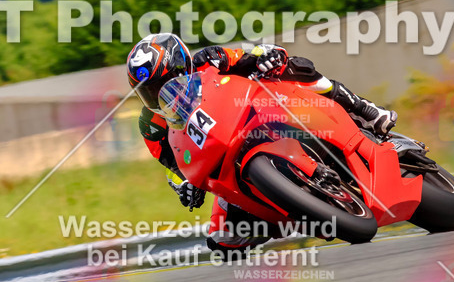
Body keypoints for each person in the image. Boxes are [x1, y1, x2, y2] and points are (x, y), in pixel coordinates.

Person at [126, 32, 398, 254]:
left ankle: (365, 110)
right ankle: (297, 211)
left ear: (180, 66)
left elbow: (245, 57)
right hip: (225, 161)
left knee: (293, 67)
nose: (157, 94)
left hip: (262, 114)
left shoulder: (209, 60)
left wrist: (266, 57)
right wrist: (184, 184)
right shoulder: (151, 125)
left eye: (163, 83)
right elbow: (170, 161)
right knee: (223, 242)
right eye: (148, 92)